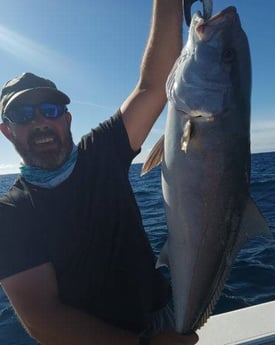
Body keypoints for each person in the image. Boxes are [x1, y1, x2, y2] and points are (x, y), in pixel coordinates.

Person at [0, 1, 199, 344]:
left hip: (166, 318)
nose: (39, 123)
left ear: (67, 119)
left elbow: (153, 85)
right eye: (22, 115)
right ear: (7, 132)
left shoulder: (101, 152)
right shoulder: (10, 215)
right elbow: (44, 317)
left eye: (50, 110)